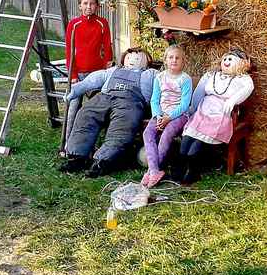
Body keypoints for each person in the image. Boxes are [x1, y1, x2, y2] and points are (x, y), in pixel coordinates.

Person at [60, 47, 157, 178]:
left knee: (121, 128)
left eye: (138, 58)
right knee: (86, 114)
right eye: (129, 57)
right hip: (104, 97)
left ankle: (103, 161)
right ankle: (76, 157)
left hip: (130, 102)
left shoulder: (150, 74)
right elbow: (93, 79)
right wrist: (76, 90)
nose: (133, 60)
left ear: (147, 61)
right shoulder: (113, 70)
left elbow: (165, 83)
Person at [172, 48, 254, 184]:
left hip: (221, 114)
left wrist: (233, 100)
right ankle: (180, 167)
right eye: (225, 59)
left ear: (240, 63)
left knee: (198, 140)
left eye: (231, 59)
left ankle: (193, 170)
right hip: (203, 111)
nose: (226, 61)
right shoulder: (212, 75)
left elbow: (248, 88)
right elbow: (199, 92)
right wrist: (193, 108)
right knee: (188, 136)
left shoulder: (242, 78)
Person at [63, 0, 113, 145]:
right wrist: (73, 75)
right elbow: (69, 51)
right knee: (73, 107)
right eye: (85, 3)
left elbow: (107, 47)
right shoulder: (74, 24)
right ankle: (67, 143)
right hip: (78, 73)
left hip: (96, 74)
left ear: (97, 6)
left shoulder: (102, 23)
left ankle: (93, 142)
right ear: (80, 6)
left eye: (92, 4)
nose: (88, 6)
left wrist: (107, 66)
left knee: (96, 108)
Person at [141, 45, 193, 188]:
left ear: (183, 61)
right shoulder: (160, 77)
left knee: (167, 134)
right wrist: (158, 116)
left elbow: (185, 104)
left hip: (179, 115)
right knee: (148, 133)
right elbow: (154, 100)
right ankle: (154, 170)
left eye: (177, 58)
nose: (174, 60)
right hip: (161, 114)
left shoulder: (185, 79)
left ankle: (152, 170)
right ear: (165, 60)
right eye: (171, 57)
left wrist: (168, 118)